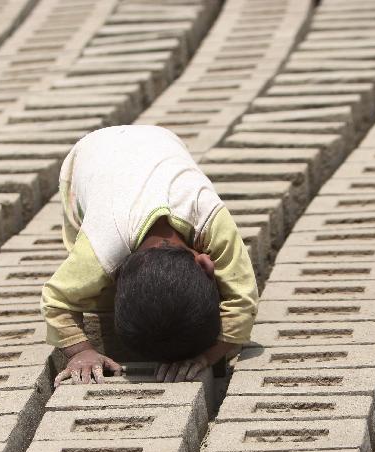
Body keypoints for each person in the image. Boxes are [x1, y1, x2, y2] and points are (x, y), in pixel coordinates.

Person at [40, 125, 259, 386]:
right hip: (87, 156)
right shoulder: (101, 247)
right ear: (116, 275)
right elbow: (55, 300)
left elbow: (243, 302)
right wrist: (81, 351)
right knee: (89, 288)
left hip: (163, 140)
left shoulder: (210, 217)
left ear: (206, 262)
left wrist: (206, 357)